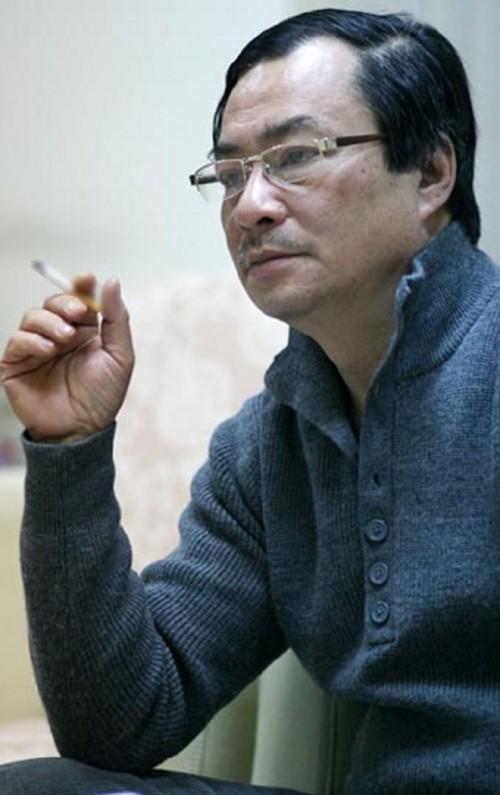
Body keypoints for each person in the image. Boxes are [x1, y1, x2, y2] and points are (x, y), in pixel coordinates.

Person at [1, 6, 499, 794]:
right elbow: (119, 723)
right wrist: (69, 447)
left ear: (432, 173)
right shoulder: (267, 446)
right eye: (231, 174)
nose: (250, 205)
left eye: (297, 155)